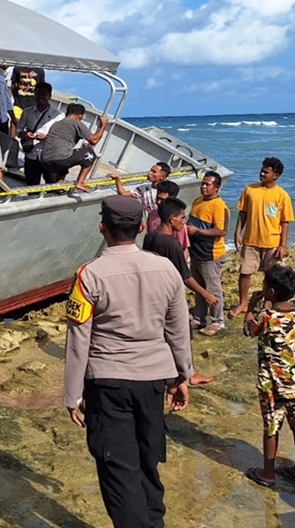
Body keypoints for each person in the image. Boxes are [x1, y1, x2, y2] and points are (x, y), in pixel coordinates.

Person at [65, 195, 192, 528]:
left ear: (101, 228)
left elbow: (78, 340)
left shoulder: (88, 275)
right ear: (139, 227)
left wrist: (72, 394)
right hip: (154, 379)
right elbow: (178, 331)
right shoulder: (166, 269)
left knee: (117, 466)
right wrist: (183, 377)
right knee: (148, 459)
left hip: (107, 381)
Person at [243, 265, 295, 488]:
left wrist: (251, 306)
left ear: (271, 292)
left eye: (265, 285)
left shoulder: (266, 317)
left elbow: (249, 329)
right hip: (294, 382)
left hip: (270, 383)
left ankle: (267, 472)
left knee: (271, 426)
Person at [143, 198, 217, 386]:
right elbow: (186, 276)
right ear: (171, 219)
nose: (184, 222)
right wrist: (206, 294)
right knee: (182, 335)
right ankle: (189, 374)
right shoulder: (172, 244)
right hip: (170, 295)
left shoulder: (150, 236)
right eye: (182, 218)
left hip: (153, 292)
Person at [231, 157, 295, 318]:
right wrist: (237, 232)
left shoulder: (282, 195)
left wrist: (283, 245)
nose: (261, 173)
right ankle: (243, 303)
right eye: (262, 170)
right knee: (245, 272)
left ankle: (268, 304)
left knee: (272, 277)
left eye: (266, 172)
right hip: (251, 240)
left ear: (276, 175)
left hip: (272, 242)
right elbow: (243, 213)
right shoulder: (250, 189)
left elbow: (285, 222)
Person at [187, 171, 231, 335]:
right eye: (203, 183)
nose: (204, 187)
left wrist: (197, 231)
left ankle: (218, 321)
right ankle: (199, 317)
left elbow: (221, 231)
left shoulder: (219, 206)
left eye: (208, 184)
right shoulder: (197, 201)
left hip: (211, 254)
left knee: (213, 288)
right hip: (196, 251)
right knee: (199, 287)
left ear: (217, 187)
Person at [40, 103, 109, 193]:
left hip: (45, 160)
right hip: (60, 159)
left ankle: (59, 185)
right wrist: (104, 125)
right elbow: (94, 140)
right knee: (90, 154)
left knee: (66, 156)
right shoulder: (76, 123)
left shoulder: (57, 124)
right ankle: (80, 182)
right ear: (80, 116)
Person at [15, 82, 63, 186]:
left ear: (49, 96)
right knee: (31, 185)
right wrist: (25, 134)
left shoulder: (58, 115)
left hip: (49, 156)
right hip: (31, 155)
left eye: (44, 95)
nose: (40, 97)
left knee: (51, 185)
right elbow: (18, 130)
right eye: (38, 94)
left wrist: (46, 138)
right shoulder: (27, 112)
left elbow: (61, 137)